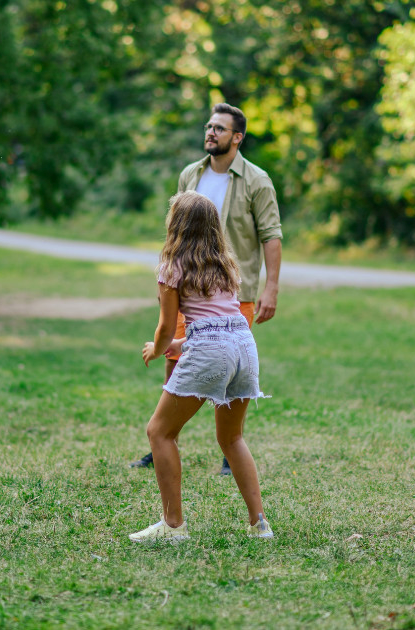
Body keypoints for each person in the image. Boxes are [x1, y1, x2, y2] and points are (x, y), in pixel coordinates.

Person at [131, 103, 283, 474]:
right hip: (188, 289)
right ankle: (165, 440)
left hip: (233, 291)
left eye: (220, 128)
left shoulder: (256, 180)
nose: (211, 132)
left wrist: (271, 288)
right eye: (209, 126)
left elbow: (271, 235)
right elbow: (176, 229)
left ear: (238, 137)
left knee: (226, 363)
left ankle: (230, 450)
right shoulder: (191, 174)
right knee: (174, 361)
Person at [129, 191, 273, 543]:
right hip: (244, 346)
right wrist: (176, 345)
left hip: (214, 351)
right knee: (232, 437)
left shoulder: (172, 266)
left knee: (159, 432)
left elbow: (166, 327)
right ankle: (260, 525)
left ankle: (173, 526)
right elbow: (215, 322)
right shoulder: (225, 263)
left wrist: (158, 347)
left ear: (176, 225)